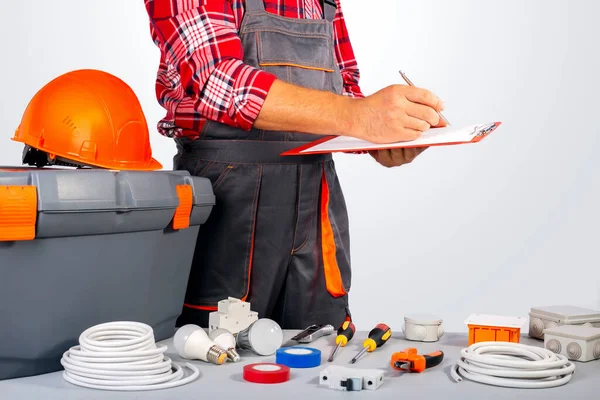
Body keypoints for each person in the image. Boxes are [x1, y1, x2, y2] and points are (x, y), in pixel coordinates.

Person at [144, 0, 445, 330]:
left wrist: (382, 135)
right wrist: (360, 117)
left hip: (317, 198)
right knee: (216, 346)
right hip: (229, 197)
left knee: (322, 344)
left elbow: (343, 90)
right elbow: (220, 80)